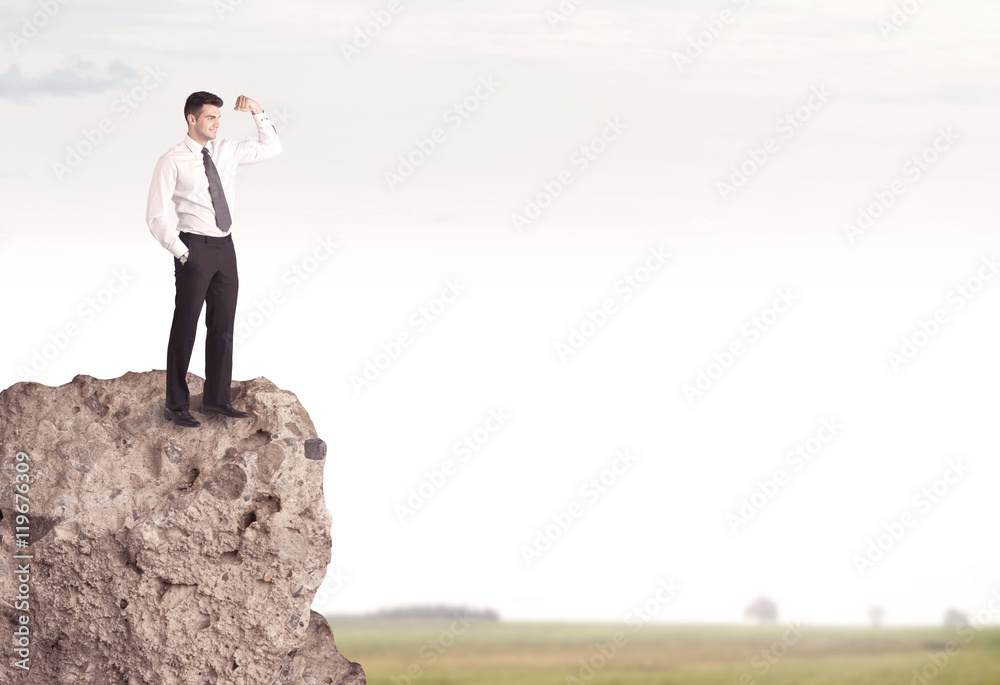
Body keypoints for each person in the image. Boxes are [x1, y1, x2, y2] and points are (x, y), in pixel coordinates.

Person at [147, 91, 281, 427]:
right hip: (194, 247)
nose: (217, 124)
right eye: (210, 117)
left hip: (225, 247)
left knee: (222, 327)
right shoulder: (172, 160)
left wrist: (258, 112)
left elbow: (272, 148)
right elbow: (156, 215)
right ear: (192, 119)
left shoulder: (226, 150)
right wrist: (182, 252)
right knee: (186, 327)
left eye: (219, 118)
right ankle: (175, 405)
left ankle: (216, 399)